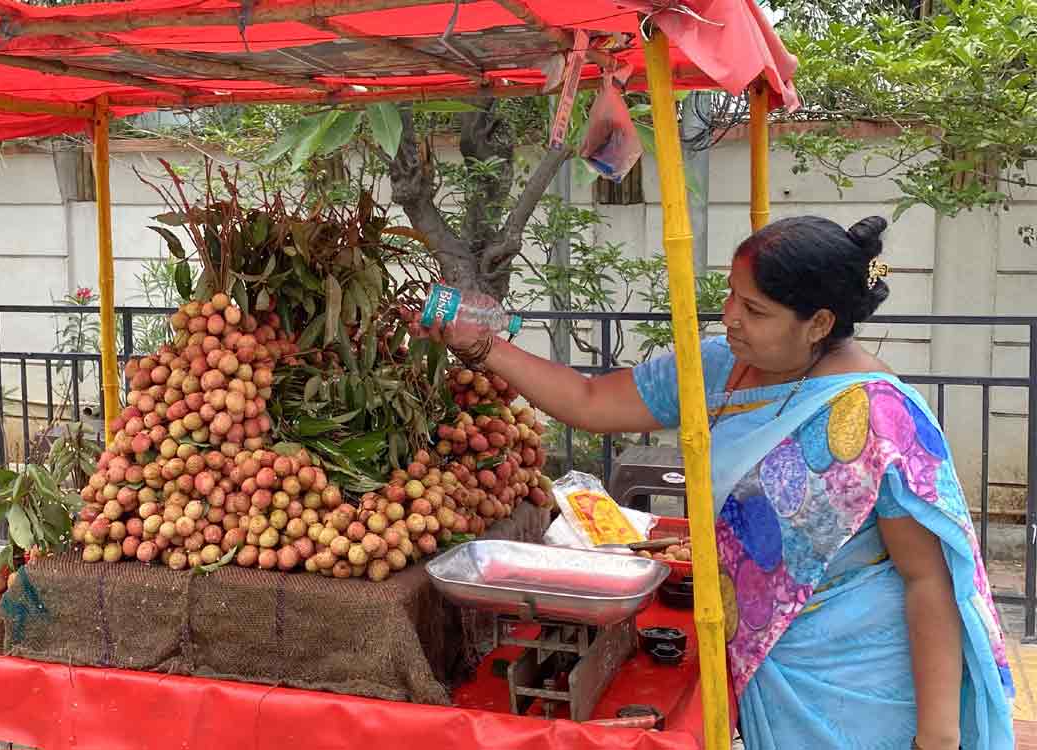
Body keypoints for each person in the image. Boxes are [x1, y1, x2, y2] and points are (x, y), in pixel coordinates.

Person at [421, 215, 1014, 750]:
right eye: (732, 294)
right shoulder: (717, 365)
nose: (730, 315)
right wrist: (484, 347)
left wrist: (936, 738)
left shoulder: (879, 416)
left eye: (754, 310)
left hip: (862, 680)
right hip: (765, 663)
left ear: (820, 324)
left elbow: (927, 578)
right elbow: (589, 400)